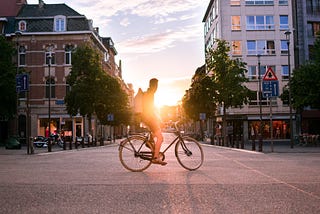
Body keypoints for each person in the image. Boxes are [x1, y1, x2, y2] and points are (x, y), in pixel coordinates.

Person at [141, 78, 167, 165]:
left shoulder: (148, 93)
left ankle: (150, 143)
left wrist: (159, 119)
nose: (157, 88)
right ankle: (156, 158)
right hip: (149, 118)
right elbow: (150, 110)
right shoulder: (150, 94)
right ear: (153, 85)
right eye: (156, 85)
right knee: (160, 138)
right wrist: (158, 120)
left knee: (156, 134)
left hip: (147, 118)